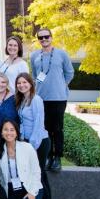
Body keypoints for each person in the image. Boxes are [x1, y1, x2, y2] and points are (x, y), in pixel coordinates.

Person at [30, 28, 73, 173]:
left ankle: (57, 157)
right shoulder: (34, 55)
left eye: (46, 36)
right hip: (41, 98)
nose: (44, 39)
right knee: (45, 129)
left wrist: (62, 85)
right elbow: (35, 75)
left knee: (57, 128)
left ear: (51, 37)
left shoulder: (61, 54)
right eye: (40, 38)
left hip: (58, 98)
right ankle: (48, 155)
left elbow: (70, 72)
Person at [15, 73, 52, 199]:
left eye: (25, 82)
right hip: (28, 141)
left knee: (39, 174)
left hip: (39, 142)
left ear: (31, 83)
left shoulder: (36, 99)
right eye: (19, 83)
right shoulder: (23, 99)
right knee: (39, 174)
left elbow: (38, 123)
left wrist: (33, 145)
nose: (22, 85)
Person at [0, 121, 43, 199]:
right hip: (12, 188)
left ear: (17, 133)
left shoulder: (27, 147)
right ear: (1, 133)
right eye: (5, 130)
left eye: (12, 130)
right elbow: (0, 176)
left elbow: (36, 172)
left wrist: (32, 193)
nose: (9, 133)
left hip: (31, 185)